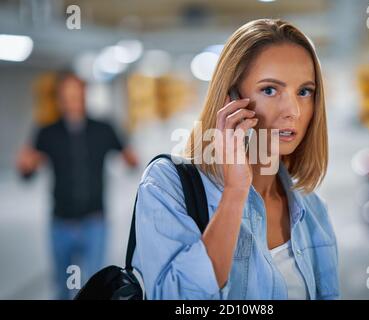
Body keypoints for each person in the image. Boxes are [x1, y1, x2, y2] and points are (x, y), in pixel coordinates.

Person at [132, 19, 339, 299]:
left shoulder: (313, 210)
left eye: (304, 92)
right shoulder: (166, 185)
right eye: (269, 90)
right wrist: (235, 191)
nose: (294, 111)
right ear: (230, 99)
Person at [16, 72, 138, 299]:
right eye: (66, 94)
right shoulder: (47, 132)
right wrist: (25, 167)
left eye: (76, 93)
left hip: (95, 222)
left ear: (84, 93)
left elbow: (129, 161)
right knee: (62, 287)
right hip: (61, 223)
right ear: (60, 98)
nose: (72, 99)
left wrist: (132, 157)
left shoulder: (103, 128)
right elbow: (28, 174)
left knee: (94, 287)